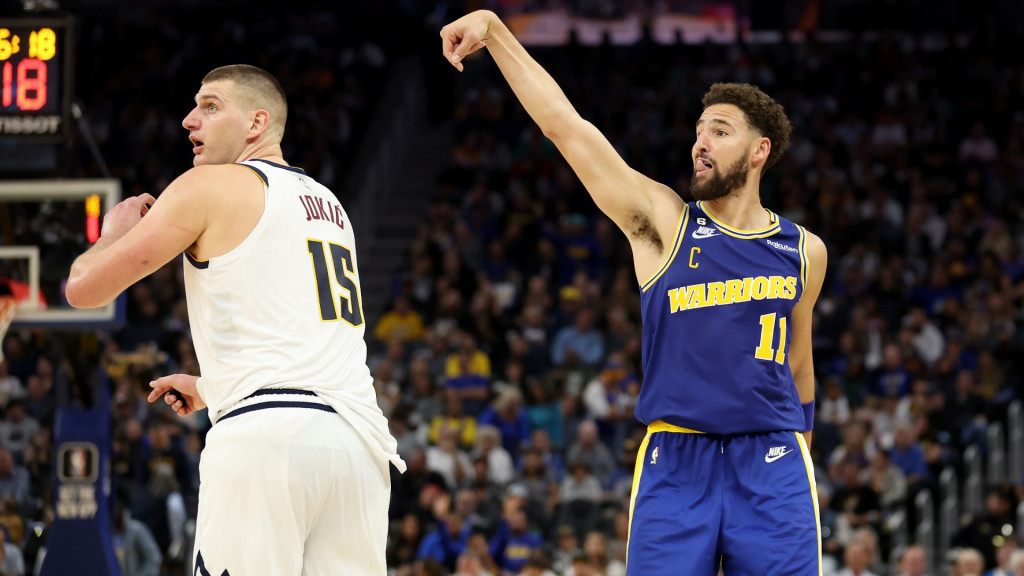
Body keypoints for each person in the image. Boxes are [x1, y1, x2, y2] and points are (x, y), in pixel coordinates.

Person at [440, 11, 827, 575]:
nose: (701, 142)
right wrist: (497, 33)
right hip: (677, 459)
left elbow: (800, 366)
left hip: (773, 461)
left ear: (759, 150)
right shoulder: (665, 223)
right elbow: (567, 129)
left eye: (719, 131)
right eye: (698, 130)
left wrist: (801, 460)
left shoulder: (803, 250)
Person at [65, 64, 405, 574]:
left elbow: (84, 290)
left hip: (267, 441)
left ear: (256, 123)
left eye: (210, 105)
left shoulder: (208, 186)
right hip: (359, 447)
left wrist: (112, 233)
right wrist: (215, 385)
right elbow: (301, 335)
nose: (187, 120)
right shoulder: (329, 204)